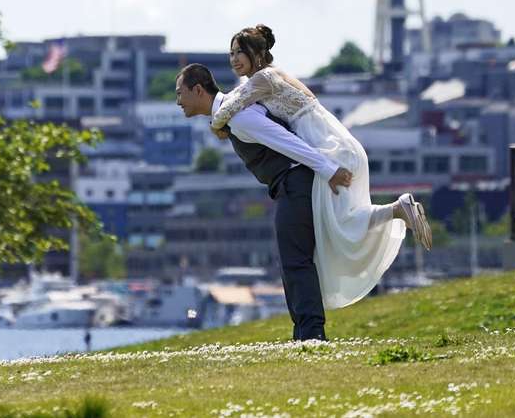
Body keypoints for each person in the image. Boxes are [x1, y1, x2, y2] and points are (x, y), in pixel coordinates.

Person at [210, 25, 432, 310]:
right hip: (336, 143)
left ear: (259, 53)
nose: (234, 59)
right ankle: (398, 210)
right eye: (230, 53)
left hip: (329, 148)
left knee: (339, 227)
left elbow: (230, 106)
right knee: (341, 222)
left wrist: (217, 125)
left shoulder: (264, 77)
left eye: (240, 52)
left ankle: (398, 210)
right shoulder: (273, 76)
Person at [176, 64, 351, 341]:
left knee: (296, 261)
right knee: (293, 260)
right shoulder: (229, 114)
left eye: (180, 93)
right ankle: (305, 332)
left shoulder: (238, 116)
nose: (177, 101)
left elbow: (286, 142)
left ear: (198, 90)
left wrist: (328, 170)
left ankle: (311, 334)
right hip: (289, 185)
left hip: (294, 182)